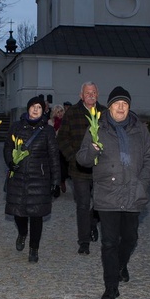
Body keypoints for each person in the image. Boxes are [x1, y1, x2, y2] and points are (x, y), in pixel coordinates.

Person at [76, 86, 150, 299]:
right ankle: (111, 287)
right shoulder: (97, 128)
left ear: (129, 107)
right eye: (116, 104)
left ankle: (121, 265)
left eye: (125, 104)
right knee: (109, 242)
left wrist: (144, 182)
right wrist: (92, 150)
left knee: (130, 238)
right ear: (109, 106)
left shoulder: (140, 129)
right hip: (107, 193)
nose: (121, 108)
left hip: (133, 192)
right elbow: (82, 159)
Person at [4, 96, 61, 263]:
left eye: (39, 107)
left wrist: (55, 182)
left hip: (39, 179)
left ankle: (34, 248)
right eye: (33, 106)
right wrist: (10, 162)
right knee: (18, 213)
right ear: (28, 108)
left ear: (43, 110)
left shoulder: (48, 131)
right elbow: (8, 147)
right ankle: (22, 233)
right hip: (19, 178)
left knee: (37, 216)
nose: (35, 109)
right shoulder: (16, 127)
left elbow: (53, 157)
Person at [57, 82, 106, 255]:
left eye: (93, 92)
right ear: (81, 95)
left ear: (98, 93)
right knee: (83, 205)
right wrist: (72, 157)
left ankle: (93, 221)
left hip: (101, 169)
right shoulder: (72, 113)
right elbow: (62, 138)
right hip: (79, 169)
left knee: (101, 203)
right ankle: (83, 241)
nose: (91, 95)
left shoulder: (105, 113)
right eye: (87, 92)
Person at [49, 104, 68, 193]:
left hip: (64, 146)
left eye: (61, 111)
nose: (60, 114)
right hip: (54, 147)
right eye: (57, 112)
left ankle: (62, 180)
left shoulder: (66, 121)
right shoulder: (51, 122)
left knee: (64, 166)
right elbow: (52, 135)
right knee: (56, 165)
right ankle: (56, 184)